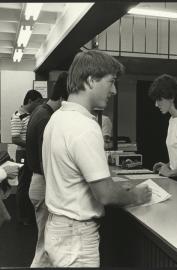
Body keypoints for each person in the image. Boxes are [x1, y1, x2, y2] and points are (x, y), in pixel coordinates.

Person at [42, 50, 152, 267]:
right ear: (91, 80)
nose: (114, 90)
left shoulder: (57, 118)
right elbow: (105, 195)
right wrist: (136, 196)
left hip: (58, 227)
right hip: (76, 235)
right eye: (111, 82)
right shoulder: (85, 126)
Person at [26, 72, 68, 267]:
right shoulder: (46, 118)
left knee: (44, 243)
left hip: (38, 182)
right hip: (43, 183)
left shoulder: (40, 112)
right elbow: (46, 161)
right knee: (44, 247)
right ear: (62, 98)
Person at [11, 89, 43, 225]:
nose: (39, 105)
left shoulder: (30, 115)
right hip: (23, 153)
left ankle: (30, 215)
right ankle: (23, 217)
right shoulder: (17, 115)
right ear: (30, 101)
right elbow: (15, 138)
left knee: (30, 183)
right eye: (37, 102)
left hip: (29, 152)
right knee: (23, 184)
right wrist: (32, 144)